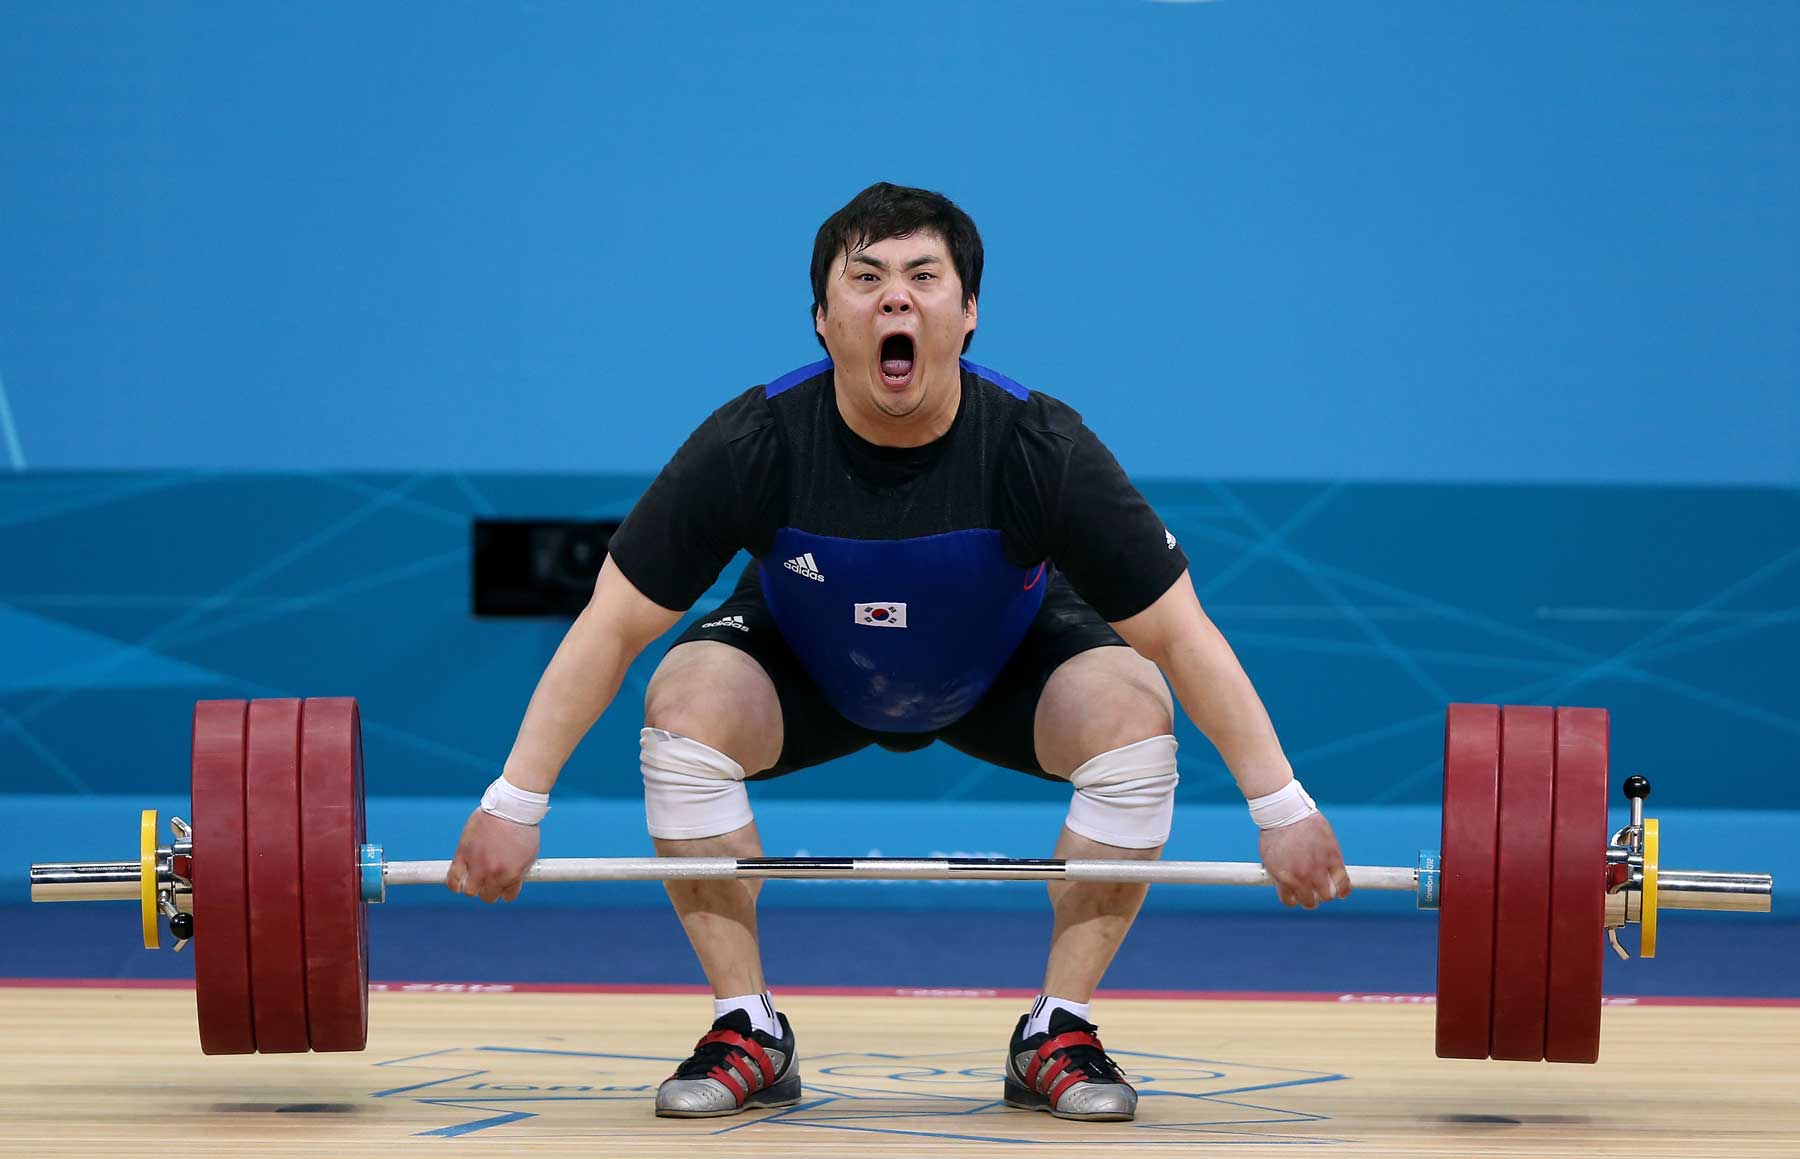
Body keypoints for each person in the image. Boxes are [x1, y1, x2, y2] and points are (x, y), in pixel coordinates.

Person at [445, 182, 1351, 1122]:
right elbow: (612, 625)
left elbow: (1181, 632)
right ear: (823, 318)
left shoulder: (1039, 446)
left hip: (1005, 660)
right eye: (867, 277)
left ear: (968, 313)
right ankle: (747, 1024)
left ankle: (1060, 1028)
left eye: (924, 276)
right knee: (685, 700)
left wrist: (1282, 808)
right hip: (807, 661)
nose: (895, 298)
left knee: (1134, 706)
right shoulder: (754, 441)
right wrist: (514, 802)